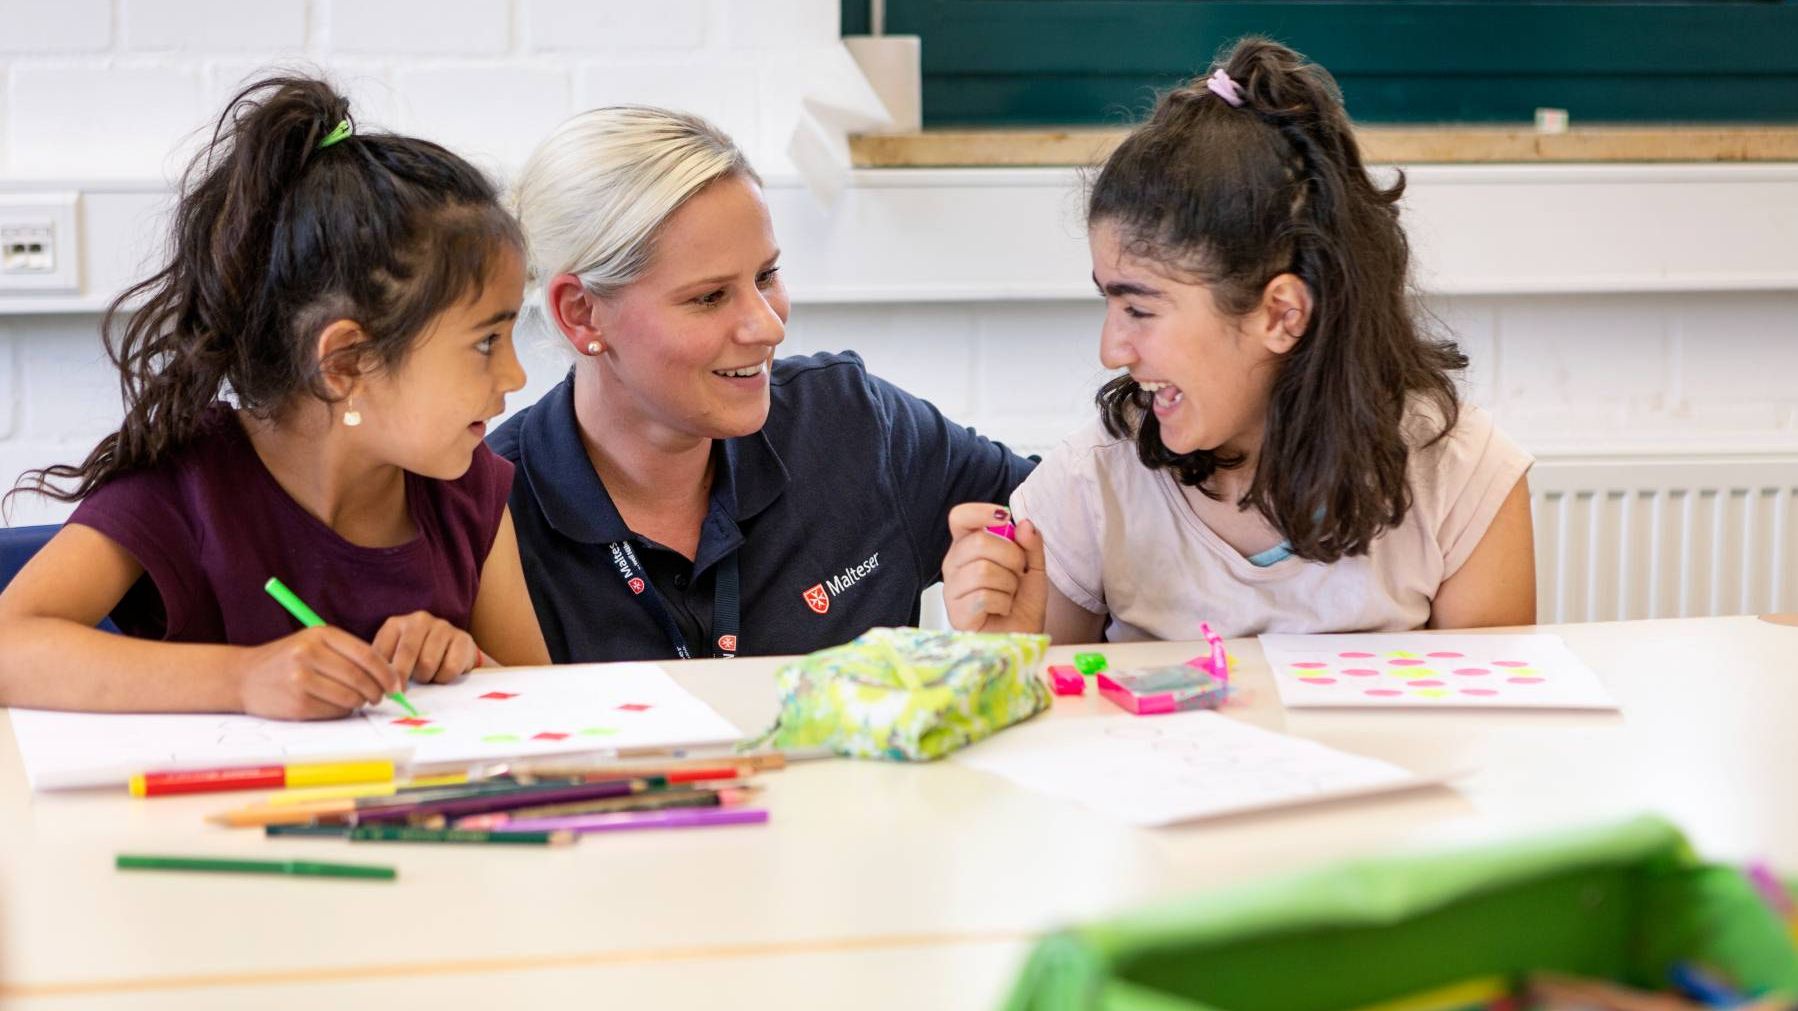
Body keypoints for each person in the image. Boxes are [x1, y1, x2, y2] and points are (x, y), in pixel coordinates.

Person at [941, 38, 1536, 643]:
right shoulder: (1090, 484)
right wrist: (1006, 645)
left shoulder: (1462, 477)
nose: (1112, 350)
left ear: (1281, 315)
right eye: (1109, 302)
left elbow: (1490, 727)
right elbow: (1042, 716)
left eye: (1139, 308)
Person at [0, 75, 549, 718]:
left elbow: (542, 696)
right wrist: (244, 679)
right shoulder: (186, 485)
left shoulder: (469, 490)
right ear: (345, 361)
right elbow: (11, 645)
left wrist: (467, 665)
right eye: (487, 341)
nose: (515, 375)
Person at [491, 106, 1035, 662]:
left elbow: (1086, 519)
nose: (769, 326)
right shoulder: (487, 510)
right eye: (709, 297)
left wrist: (1025, 598)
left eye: (766, 276)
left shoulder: (852, 423)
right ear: (581, 313)